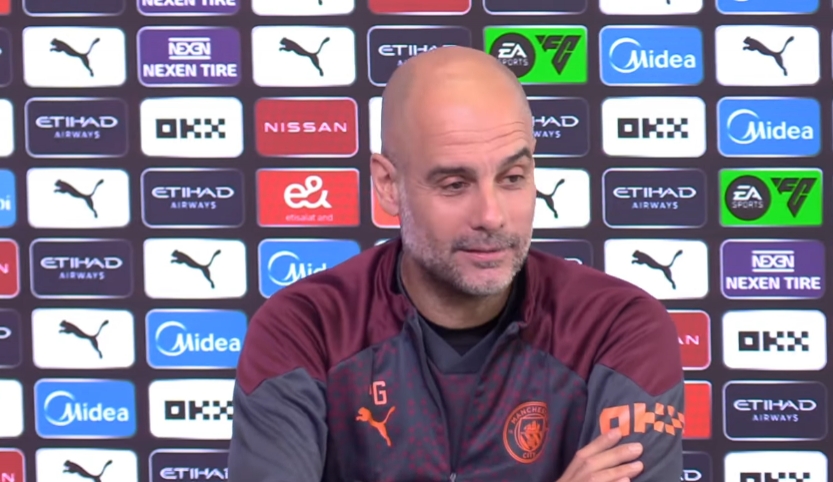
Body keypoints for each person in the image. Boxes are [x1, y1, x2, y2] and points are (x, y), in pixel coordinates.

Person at [228, 46, 684, 481]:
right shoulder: (304, 328)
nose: (491, 215)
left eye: (512, 178)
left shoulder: (619, 326)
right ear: (387, 185)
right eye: (454, 184)